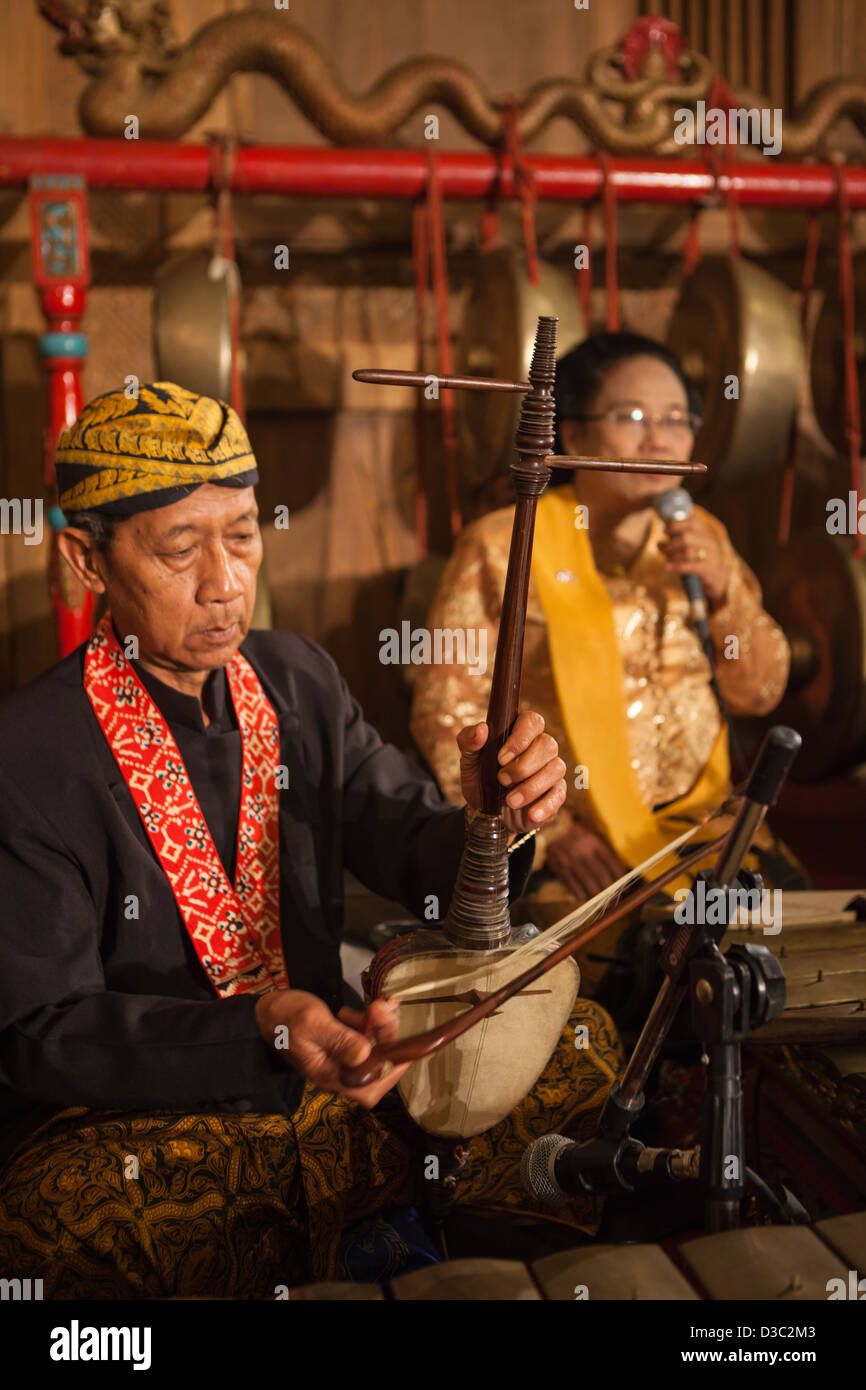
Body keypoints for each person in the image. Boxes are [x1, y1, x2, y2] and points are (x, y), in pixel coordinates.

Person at [0, 381, 623, 1298]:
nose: (224, 581)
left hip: (343, 1078)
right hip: (153, 1124)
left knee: (582, 1043)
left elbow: (416, 853)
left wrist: (496, 821)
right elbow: (41, 1030)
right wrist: (254, 1031)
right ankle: (391, 1233)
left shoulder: (297, 682)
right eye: (180, 547)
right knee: (51, 1223)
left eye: (244, 534)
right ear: (86, 560)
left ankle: (377, 1241)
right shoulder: (30, 750)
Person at [412, 333, 804, 992]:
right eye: (632, 418)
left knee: (788, 964)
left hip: (708, 830)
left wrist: (727, 592)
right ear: (570, 431)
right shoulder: (502, 544)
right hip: (580, 849)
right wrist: (549, 828)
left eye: (677, 420)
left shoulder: (699, 540)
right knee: (644, 985)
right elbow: (443, 709)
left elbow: (760, 691)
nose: (659, 440)